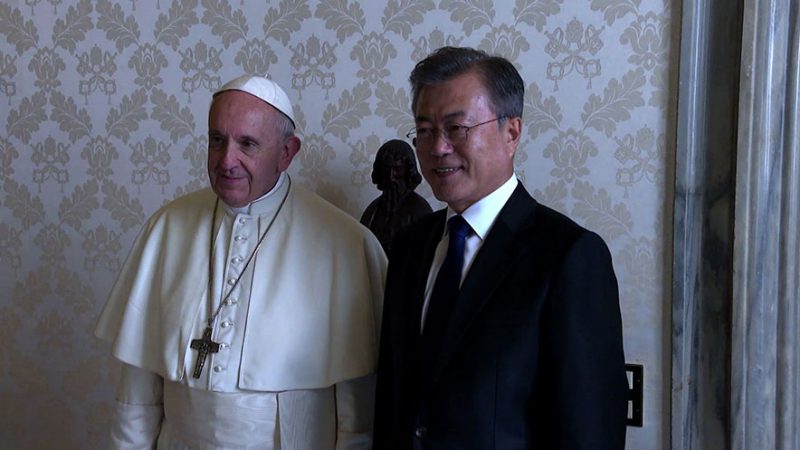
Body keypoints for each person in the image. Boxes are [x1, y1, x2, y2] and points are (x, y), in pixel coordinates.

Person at [95, 74, 387, 449]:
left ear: (287, 152)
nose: (226, 160)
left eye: (247, 144)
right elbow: (138, 393)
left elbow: (358, 415)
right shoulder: (167, 227)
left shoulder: (344, 243)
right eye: (217, 140)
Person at [373, 46, 628, 449]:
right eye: (424, 130)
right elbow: (393, 399)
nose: (437, 148)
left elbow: (589, 430)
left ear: (511, 133)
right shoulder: (409, 247)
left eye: (457, 128)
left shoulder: (568, 256)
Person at [360, 139, 432, 255]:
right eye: (386, 169)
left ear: (408, 171)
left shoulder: (420, 210)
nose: (391, 177)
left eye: (397, 169)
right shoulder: (372, 211)